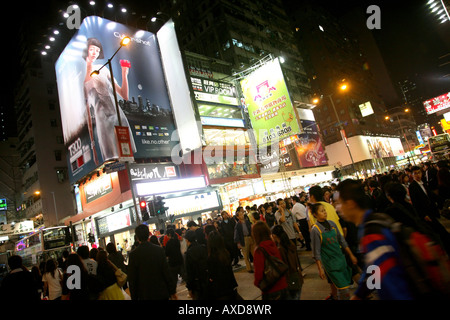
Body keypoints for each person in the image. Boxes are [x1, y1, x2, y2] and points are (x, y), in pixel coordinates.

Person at [337, 179, 415, 300]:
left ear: (350, 204)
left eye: (339, 203)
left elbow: (386, 277)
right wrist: (360, 294)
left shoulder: (371, 234)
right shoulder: (377, 220)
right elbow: (374, 270)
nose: (337, 208)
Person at [83, 37, 136, 165]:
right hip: (102, 122)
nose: (95, 52)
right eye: (92, 49)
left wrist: (124, 73)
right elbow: (88, 117)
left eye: (97, 50)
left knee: (129, 157)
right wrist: (93, 147)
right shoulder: (83, 81)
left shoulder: (104, 69)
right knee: (112, 159)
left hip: (119, 117)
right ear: (86, 51)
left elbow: (124, 95)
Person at [127, 224, 177, 300]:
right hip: (161, 291)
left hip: (144, 294)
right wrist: (172, 291)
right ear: (148, 235)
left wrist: (134, 297)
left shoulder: (133, 255)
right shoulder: (158, 250)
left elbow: (132, 280)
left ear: (137, 237)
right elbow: (166, 272)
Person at [252, 221, 288, 300]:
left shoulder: (259, 250)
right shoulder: (273, 244)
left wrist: (258, 283)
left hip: (271, 289)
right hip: (283, 285)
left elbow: (259, 273)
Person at [271, 225, 304, 300]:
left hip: (290, 281)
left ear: (274, 235)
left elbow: (284, 268)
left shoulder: (280, 249)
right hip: (297, 277)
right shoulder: (290, 243)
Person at [206, 230, 240, 300]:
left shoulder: (211, 258)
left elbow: (212, 275)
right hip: (230, 285)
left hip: (219, 290)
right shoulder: (225, 253)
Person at [184, 230, 208, 300]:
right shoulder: (203, 247)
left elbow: (189, 272)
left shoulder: (188, 253)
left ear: (187, 240)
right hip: (206, 280)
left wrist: (189, 288)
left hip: (196, 284)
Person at [234, 206, 254, 273]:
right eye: (240, 215)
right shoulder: (237, 225)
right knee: (246, 255)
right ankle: (249, 268)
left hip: (250, 237)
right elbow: (236, 234)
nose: (242, 215)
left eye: (242, 214)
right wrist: (238, 243)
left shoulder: (247, 221)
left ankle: (256, 266)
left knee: (254, 252)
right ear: (238, 217)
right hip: (244, 239)